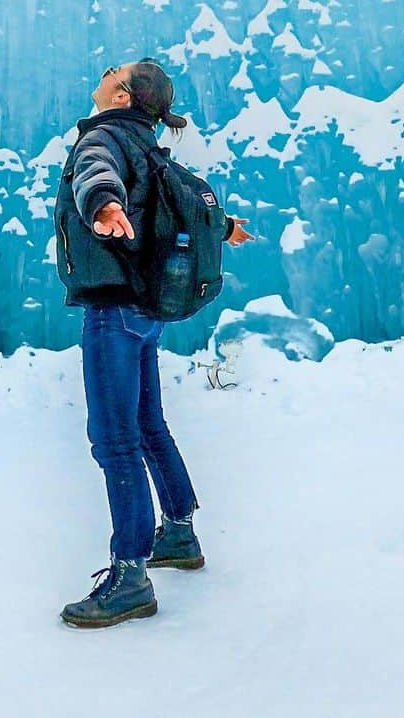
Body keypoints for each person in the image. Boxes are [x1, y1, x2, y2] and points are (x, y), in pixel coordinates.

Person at [54, 56, 255, 629]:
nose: (101, 73)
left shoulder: (105, 138)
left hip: (113, 307)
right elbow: (186, 202)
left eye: (111, 72)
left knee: (114, 438)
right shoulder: (150, 148)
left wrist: (103, 205)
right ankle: (179, 532)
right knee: (147, 426)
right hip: (145, 313)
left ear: (121, 97)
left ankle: (130, 575)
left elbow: (96, 172)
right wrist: (227, 226)